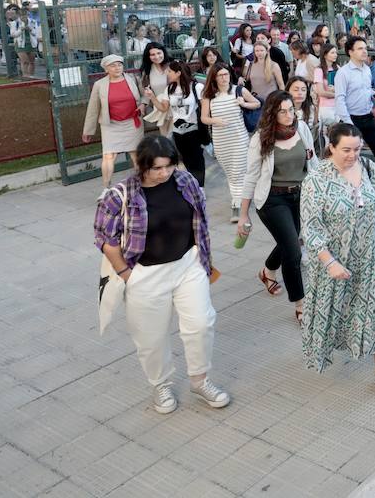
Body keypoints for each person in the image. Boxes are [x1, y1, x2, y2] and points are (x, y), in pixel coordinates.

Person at [94, 135, 229, 415]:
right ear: (141, 165)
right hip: (145, 274)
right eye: (156, 168)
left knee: (201, 323)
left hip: (188, 265)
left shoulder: (186, 182)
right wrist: (127, 274)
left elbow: (200, 222)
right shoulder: (119, 195)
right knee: (151, 337)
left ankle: (199, 380)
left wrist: (203, 260)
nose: (164, 173)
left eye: (168, 166)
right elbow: (105, 239)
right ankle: (161, 384)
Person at [299, 122, 375, 395]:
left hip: (369, 256)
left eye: (357, 149)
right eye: (346, 149)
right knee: (333, 312)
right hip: (334, 260)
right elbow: (310, 228)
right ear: (331, 147)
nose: (352, 155)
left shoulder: (368, 168)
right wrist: (329, 262)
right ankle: (323, 353)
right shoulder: (316, 180)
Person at [241, 89, 318, 324]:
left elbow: (312, 162)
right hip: (273, 200)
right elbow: (251, 176)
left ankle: (267, 271)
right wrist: (243, 213)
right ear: (272, 113)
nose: (288, 115)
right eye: (281, 111)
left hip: (301, 196)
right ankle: (301, 304)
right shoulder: (261, 137)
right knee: (293, 251)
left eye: (290, 110)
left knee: (291, 240)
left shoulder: (302, 129)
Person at [200, 61, 258, 223]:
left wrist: (244, 103)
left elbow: (257, 103)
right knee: (231, 173)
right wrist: (215, 120)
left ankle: (237, 206)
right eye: (220, 75)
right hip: (221, 140)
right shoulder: (208, 95)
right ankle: (245, 196)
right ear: (214, 78)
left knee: (237, 172)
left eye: (226, 74)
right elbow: (204, 118)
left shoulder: (238, 90)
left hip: (239, 138)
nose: (224, 78)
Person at [82, 54, 145, 188]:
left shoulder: (133, 78)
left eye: (119, 64)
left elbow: (145, 95)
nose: (117, 68)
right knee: (108, 156)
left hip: (132, 123)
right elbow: (93, 108)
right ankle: (106, 187)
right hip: (111, 125)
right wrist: (88, 130)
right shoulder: (99, 85)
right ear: (106, 69)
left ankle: (141, 185)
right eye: (113, 65)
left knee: (136, 155)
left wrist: (143, 104)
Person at [334, 35, 375, 171]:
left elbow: (366, 90)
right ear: (350, 52)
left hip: (369, 117)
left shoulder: (367, 69)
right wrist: (348, 123)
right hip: (351, 119)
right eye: (359, 49)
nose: (364, 51)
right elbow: (339, 99)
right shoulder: (343, 73)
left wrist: (374, 95)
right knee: (351, 157)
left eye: (365, 48)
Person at [163, 60, 206, 186]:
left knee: (197, 159)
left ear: (178, 73)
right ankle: (193, 184)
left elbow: (206, 107)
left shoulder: (196, 87)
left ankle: (200, 186)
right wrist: (151, 97)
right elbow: (164, 108)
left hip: (194, 128)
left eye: (170, 71)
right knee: (186, 158)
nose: (167, 73)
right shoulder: (169, 88)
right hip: (177, 130)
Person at [138, 42, 172, 135]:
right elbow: (147, 91)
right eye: (153, 54)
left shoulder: (173, 66)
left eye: (159, 53)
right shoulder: (147, 71)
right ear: (148, 56)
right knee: (165, 136)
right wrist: (143, 104)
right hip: (160, 107)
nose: (156, 57)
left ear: (163, 52)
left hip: (175, 105)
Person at [314, 44, 340, 128]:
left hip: (338, 106)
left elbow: (344, 88)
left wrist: (336, 90)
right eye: (332, 53)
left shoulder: (338, 68)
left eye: (336, 52)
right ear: (325, 55)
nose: (335, 55)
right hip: (326, 107)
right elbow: (321, 92)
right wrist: (337, 94)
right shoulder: (319, 70)